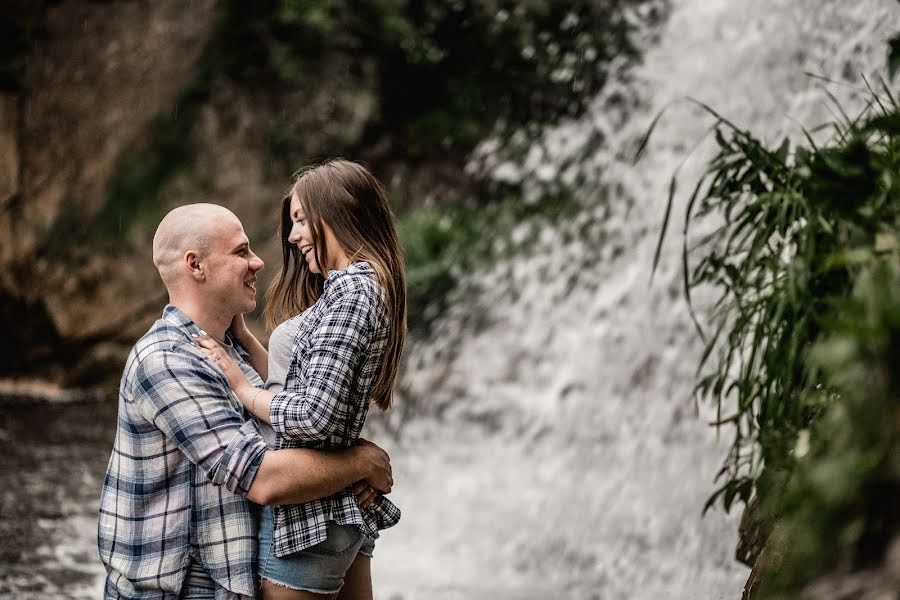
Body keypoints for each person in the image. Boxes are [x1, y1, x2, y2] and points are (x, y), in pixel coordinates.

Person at [97, 203, 393, 600]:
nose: (257, 262)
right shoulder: (166, 360)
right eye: (240, 252)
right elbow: (263, 477)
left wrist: (349, 474)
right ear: (195, 266)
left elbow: (297, 427)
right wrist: (362, 462)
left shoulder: (228, 351)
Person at [195, 159, 406, 599]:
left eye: (299, 221)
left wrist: (242, 388)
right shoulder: (359, 288)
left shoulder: (352, 292)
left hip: (306, 522)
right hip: (337, 512)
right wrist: (246, 341)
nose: (292, 237)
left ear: (333, 215)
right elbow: (306, 378)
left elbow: (314, 415)